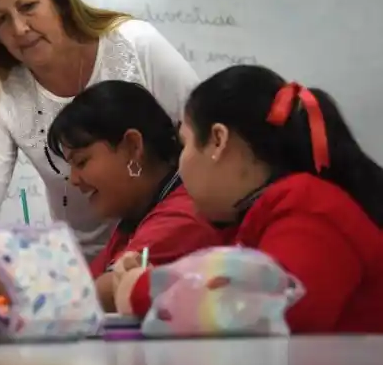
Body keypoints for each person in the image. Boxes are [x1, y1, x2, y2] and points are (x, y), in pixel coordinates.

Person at [0, 0, 201, 279]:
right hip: (79, 270)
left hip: (162, 245)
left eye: (28, 7)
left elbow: (205, 132)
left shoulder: (136, 44)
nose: (20, 29)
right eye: (0, 20)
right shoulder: (2, 95)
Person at [114, 65, 383, 333]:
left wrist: (145, 288)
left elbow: (265, 312)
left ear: (218, 140)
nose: (180, 165)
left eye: (185, 145)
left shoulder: (310, 210)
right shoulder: (260, 218)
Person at [45, 80, 223, 311]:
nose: (74, 179)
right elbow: (89, 283)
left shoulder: (184, 213)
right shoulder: (135, 217)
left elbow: (101, 292)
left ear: (132, 147)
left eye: (81, 162)